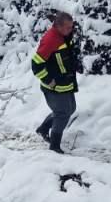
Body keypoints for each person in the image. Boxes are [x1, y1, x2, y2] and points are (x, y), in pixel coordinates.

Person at [31, 11, 81, 154]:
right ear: (58, 26)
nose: (71, 30)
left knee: (70, 109)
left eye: (71, 27)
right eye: (67, 28)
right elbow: (36, 65)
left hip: (65, 82)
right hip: (55, 85)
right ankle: (54, 146)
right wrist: (49, 80)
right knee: (62, 113)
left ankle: (43, 129)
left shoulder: (64, 36)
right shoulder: (51, 40)